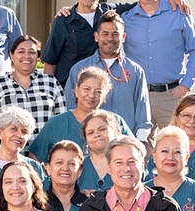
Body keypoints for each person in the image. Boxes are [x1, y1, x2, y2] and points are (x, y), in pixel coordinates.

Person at [124, 0, 195, 127]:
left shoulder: (180, 13)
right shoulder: (125, 18)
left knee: (177, 147)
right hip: (137, 97)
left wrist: (186, 84)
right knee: (139, 149)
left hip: (172, 97)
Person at [63, 11, 152, 140]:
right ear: (96, 36)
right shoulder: (79, 69)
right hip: (88, 142)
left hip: (123, 143)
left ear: (123, 37)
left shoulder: (136, 71)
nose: (110, 38)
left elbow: (143, 115)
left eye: (115, 34)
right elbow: (70, 109)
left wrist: (139, 143)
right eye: (105, 34)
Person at [29, 65, 131, 168]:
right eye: (87, 89)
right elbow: (35, 157)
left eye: (98, 92)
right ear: (76, 91)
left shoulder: (115, 121)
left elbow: (134, 151)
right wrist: (46, 181)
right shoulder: (56, 123)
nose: (91, 95)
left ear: (105, 97)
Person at [42, 0, 119, 88]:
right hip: (70, 91)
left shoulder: (109, 13)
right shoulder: (63, 21)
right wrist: (49, 94)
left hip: (102, 92)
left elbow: (140, 4)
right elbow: (50, 62)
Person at [0, 34, 65, 133]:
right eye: (21, 52)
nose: (27, 56)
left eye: (32, 52)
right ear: (11, 55)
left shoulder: (51, 83)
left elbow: (62, 122)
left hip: (46, 147)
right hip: (10, 147)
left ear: (38, 57)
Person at [42, 140, 89, 211]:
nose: (65, 168)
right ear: (48, 168)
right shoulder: (38, 205)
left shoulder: (89, 205)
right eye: (59, 162)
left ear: (80, 171)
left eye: (72, 164)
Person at [77, 110, 123, 193]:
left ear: (115, 131)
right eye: (90, 132)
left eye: (102, 129)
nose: (97, 134)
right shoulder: (77, 166)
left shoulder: (129, 163)